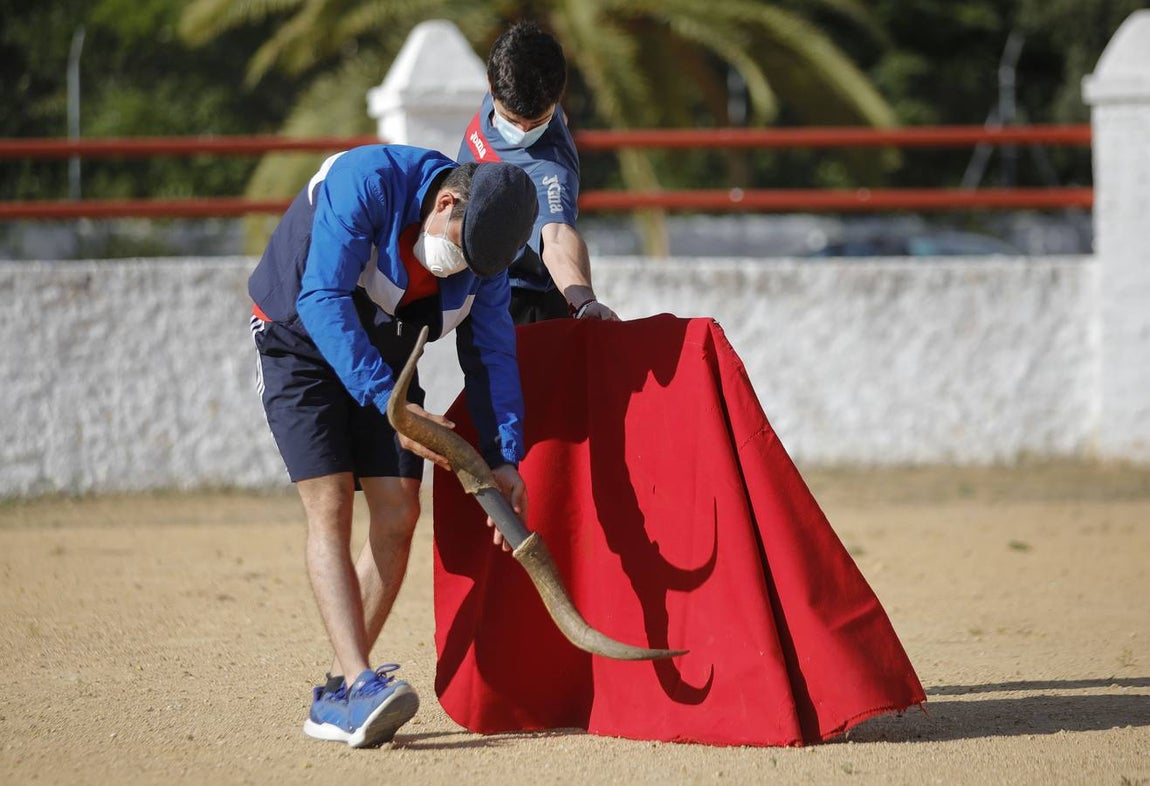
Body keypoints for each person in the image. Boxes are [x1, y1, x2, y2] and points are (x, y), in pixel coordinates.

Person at [248, 144, 537, 748]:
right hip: (299, 337)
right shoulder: (368, 182)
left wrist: (506, 454)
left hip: (386, 353)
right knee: (331, 505)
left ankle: (337, 695)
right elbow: (321, 298)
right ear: (447, 201)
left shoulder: (486, 258)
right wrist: (392, 408)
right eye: (458, 249)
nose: (459, 269)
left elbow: (491, 353)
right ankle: (359, 683)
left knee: (401, 511)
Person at [458, 21, 619, 325]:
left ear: (555, 102)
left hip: (521, 304)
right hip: (477, 287)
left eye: (536, 123)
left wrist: (584, 302)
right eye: (513, 120)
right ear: (490, 86)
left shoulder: (549, 168)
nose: (521, 132)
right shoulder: (512, 80)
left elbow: (557, 237)